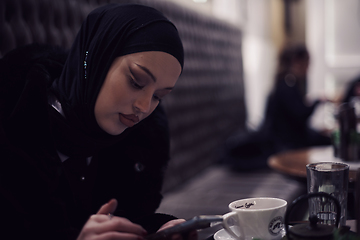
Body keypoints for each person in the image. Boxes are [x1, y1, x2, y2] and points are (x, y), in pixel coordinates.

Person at [0, 3, 189, 240]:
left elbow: (126, 218)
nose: (143, 107)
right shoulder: (14, 125)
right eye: (136, 82)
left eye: (158, 96)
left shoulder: (136, 145)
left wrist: (158, 229)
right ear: (97, 60)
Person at [221, 44, 331, 170]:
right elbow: (300, 115)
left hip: (285, 138)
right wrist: (318, 101)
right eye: (307, 63)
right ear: (297, 61)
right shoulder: (287, 85)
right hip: (285, 142)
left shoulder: (285, 82)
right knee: (329, 141)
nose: (308, 68)